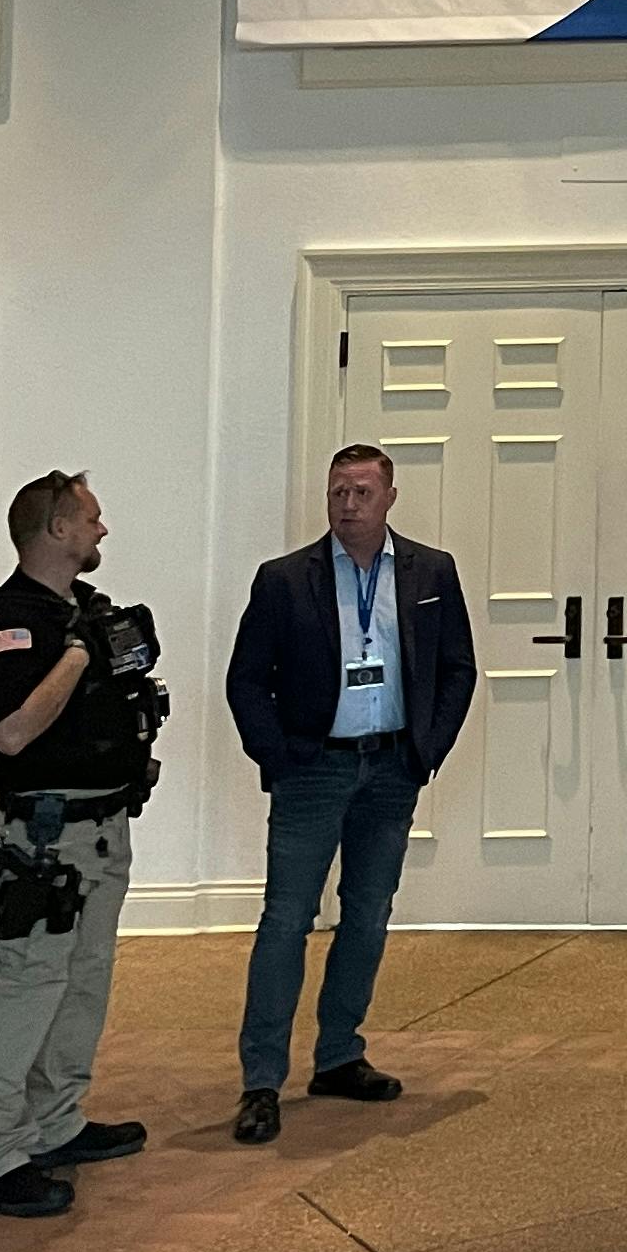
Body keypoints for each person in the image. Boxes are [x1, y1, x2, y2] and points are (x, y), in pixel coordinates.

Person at [223, 444, 478, 1146]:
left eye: (363, 491)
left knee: (367, 915)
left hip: (392, 768)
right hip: (314, 769)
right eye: (338, 490)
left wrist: (428, 749)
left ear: (390, 496)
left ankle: (339, 1055)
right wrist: (276, 756)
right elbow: (246, 679)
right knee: (286, 920)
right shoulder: (284, 580)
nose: (348, 504)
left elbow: (458, 668)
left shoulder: (431, 572)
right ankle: (261, 1080)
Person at [0, 471, 162, 1218]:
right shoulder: (9, 624)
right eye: (92, 520)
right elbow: (11, 732)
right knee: (19, 996)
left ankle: (54, 1124)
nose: (102, 532)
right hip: (45, 842)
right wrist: (77, 657)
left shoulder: (85, 611)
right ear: (57, 530)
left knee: (80, 989)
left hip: (103, 833)